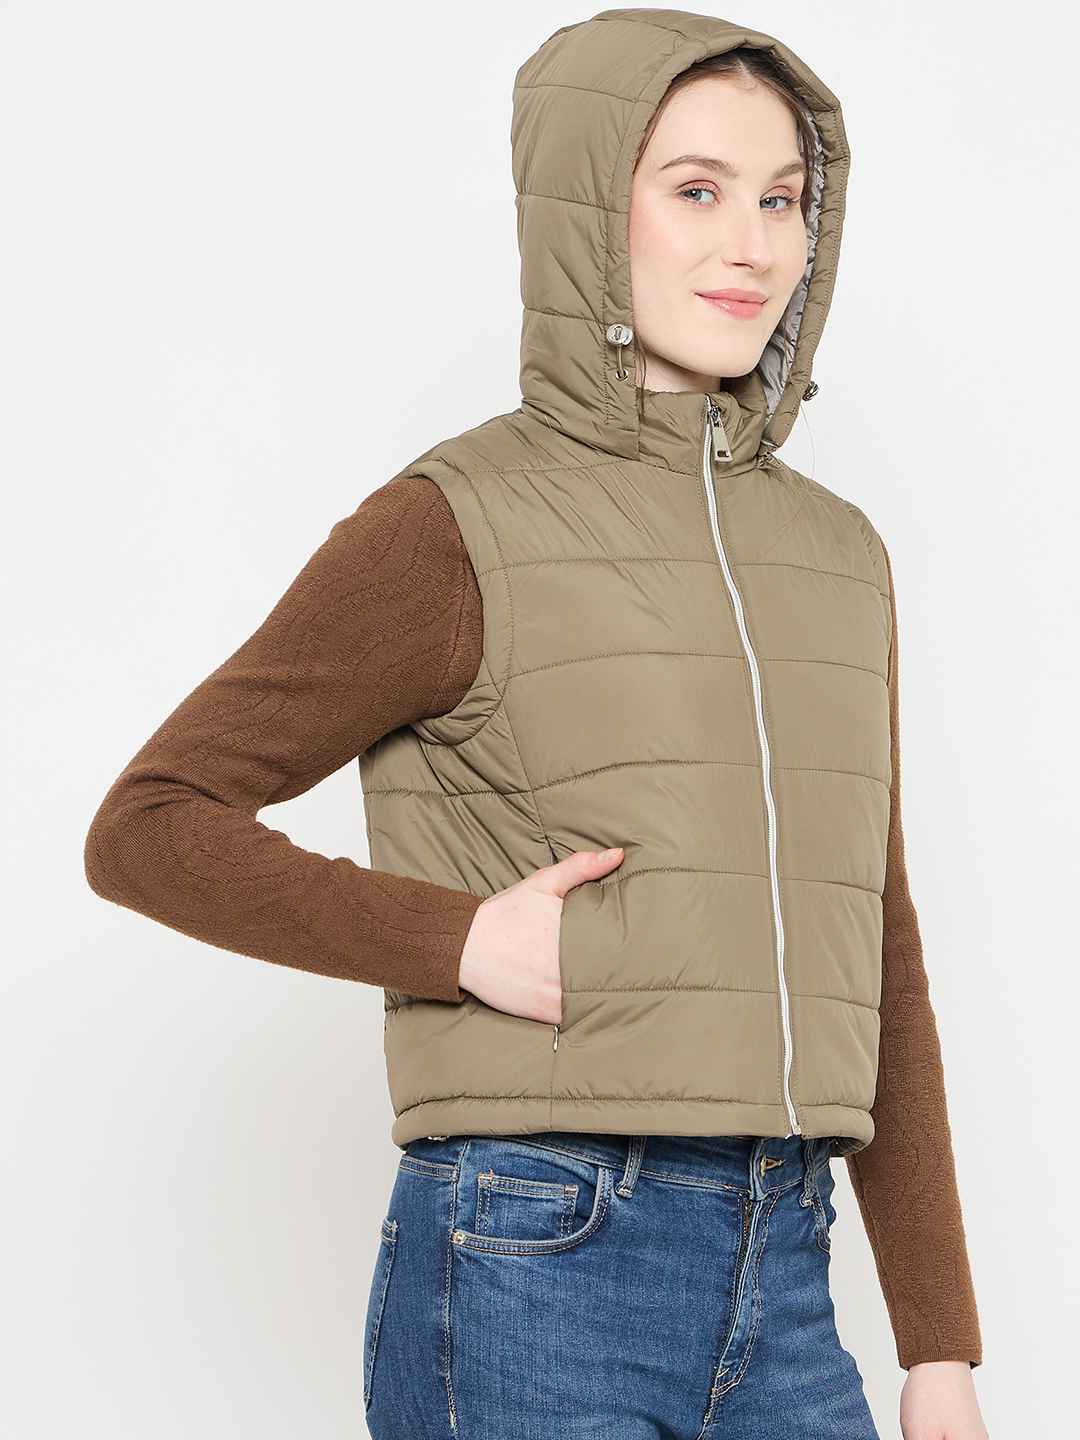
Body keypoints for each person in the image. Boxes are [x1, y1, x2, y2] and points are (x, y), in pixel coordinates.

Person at [83, 10, 989, 1438]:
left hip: (788, 1270)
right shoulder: (452, 523)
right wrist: (456, 943)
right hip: (534, 1250)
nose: (751, 245)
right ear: (584, 207)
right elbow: (148, 828)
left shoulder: (838, 553)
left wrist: (938, 1348)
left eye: (782, 200)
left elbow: (875, 938)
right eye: (696, 191)